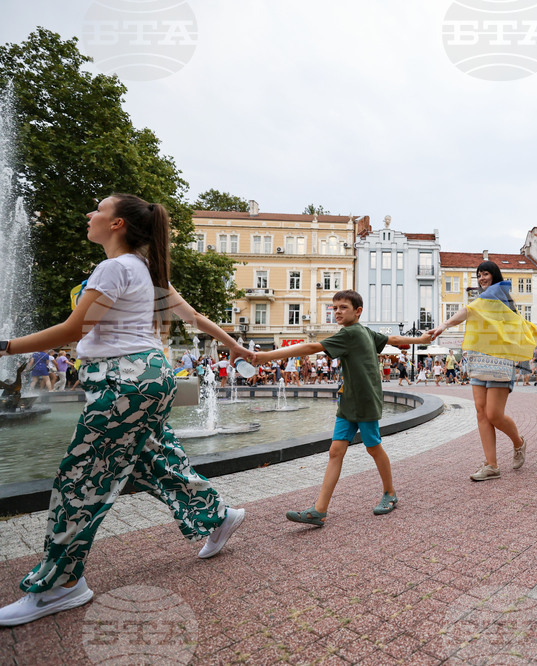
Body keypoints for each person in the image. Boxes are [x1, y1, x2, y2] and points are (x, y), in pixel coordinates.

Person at [0, 194, 250, 627]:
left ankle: (61, 585)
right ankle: (217, 514)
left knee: (81, 480)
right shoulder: (146, 270)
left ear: (117, 224)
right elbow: (193, 317)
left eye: (97, 208)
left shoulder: (115, 268)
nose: (89, 213)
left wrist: (5, 346)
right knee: (151, 460)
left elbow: (75, 329)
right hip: (150, 376)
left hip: (123, 380)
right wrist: (237, 346)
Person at [251, 290, 431, 527]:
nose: (337, 312)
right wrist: (421, 340)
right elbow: (393, 341)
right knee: (336, 450)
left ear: (358, 311)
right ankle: (319, 510)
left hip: (364, 400)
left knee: (374, 448)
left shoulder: (351, 333)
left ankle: (390, 493)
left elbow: (310, 348)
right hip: (349, 399)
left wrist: (267, 356)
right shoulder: (364, 331)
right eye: (334, 308)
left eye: (343, 307)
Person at [430, 260, 536, 481]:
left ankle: (519, 443)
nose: (481, 278)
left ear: (494, 275)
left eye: (485, 274)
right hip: (479, 359)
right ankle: (491, 465)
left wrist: (444, 325)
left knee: (494, 414)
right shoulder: (483, 299)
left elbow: (469, 311)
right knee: (481, 412)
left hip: (499, 360)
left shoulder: (497, 294)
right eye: (478, 275)